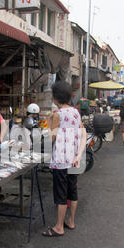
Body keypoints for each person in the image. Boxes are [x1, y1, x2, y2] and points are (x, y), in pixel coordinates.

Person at [42, 81, 87, 238]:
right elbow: (82, 134)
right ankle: (71, 221)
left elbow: (51, 139)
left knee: (61, 194)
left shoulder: (56, 115)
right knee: (72, 192)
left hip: (61, 160)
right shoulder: (75, 112)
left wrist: (47, 125)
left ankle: (59, 227)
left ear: (55, 98)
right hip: (74, 159)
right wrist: (79, 154)